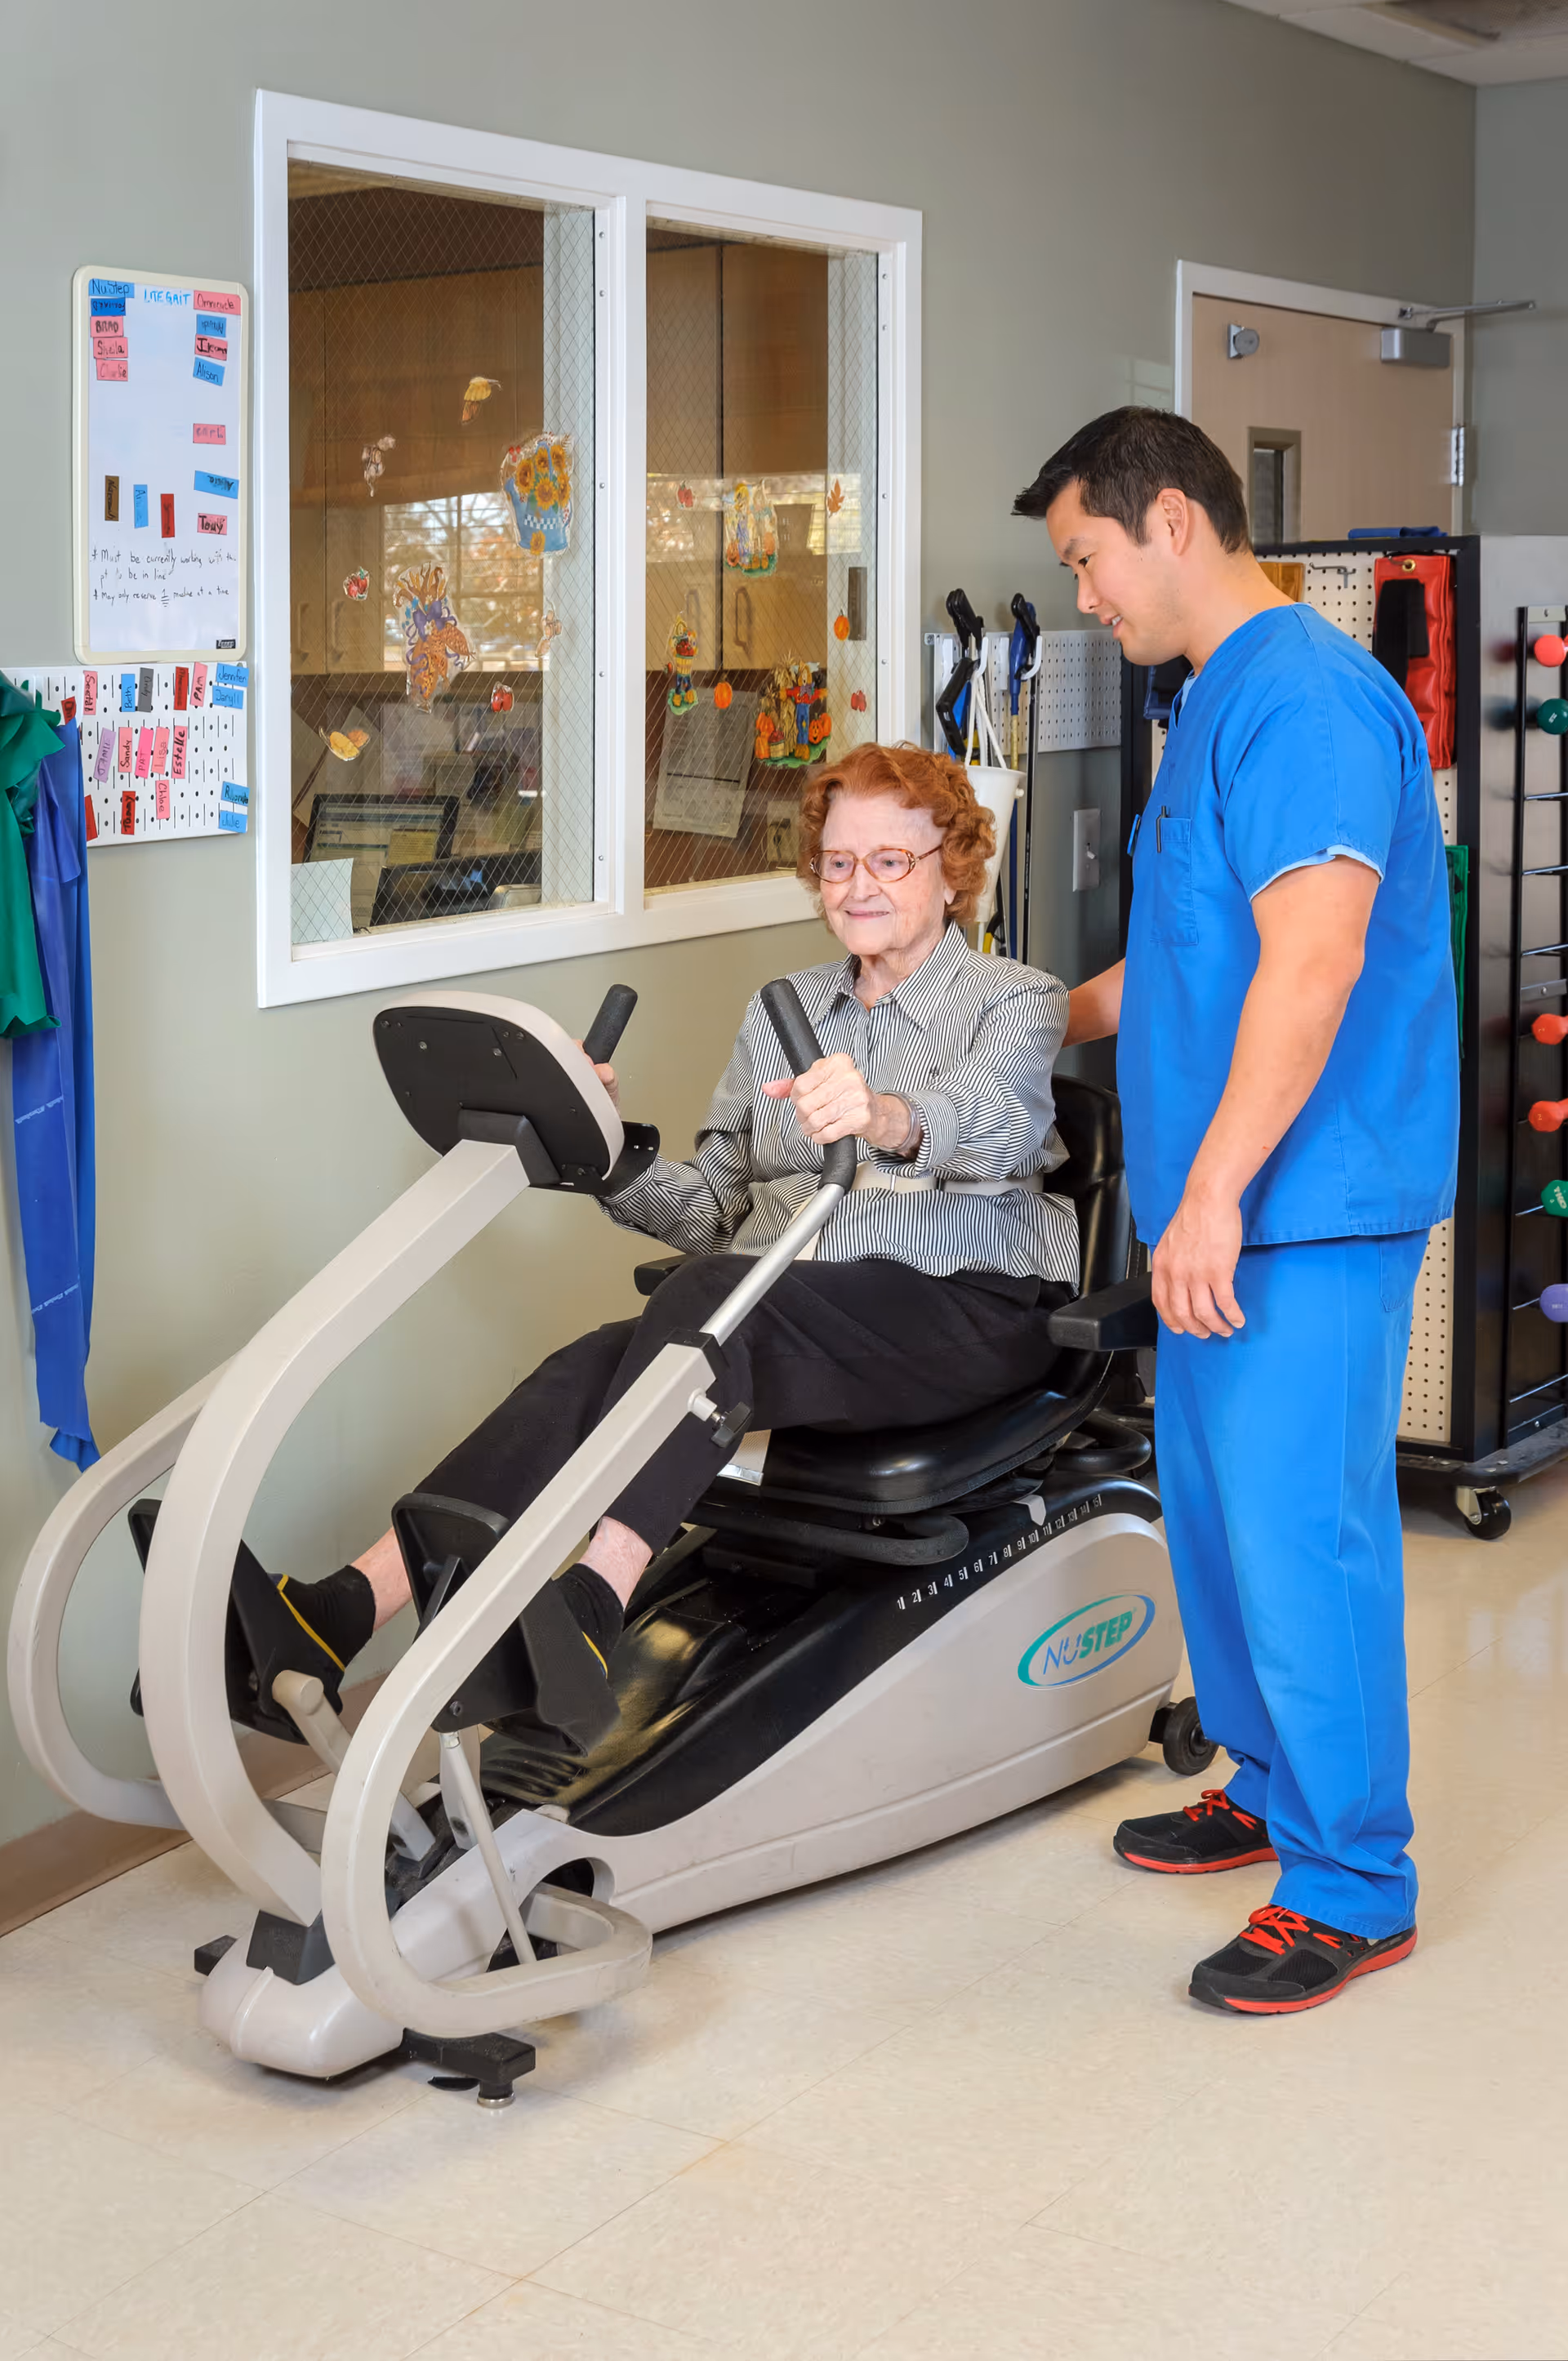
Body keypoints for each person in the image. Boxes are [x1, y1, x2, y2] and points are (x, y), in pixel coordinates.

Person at [260, 740, 1080, 1735]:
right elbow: (711, 1210)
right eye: (837, 860)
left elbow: (1000, 1124)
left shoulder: (1016, 998)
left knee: (707, 1299)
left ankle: (596, 1601)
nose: (858, 884)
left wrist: (885, 1114)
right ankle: (344, 1607)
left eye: (890, 861)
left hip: (967, 1304)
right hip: (784, 1304)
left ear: (951, 869)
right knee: (593, 1362)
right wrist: (600, 1147)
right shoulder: (783, 1011)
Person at [1013, 408, 1458, 2016]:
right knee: (1212, 1518)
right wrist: (1022, 1017)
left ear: (1174, 522)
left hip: (1299, 1202)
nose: (1084, 597)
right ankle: (1264, 1782)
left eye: (1087, 559)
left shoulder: (1314, 702)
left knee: (1299, 1531)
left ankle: (1353, 1877)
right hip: (1219, 1205)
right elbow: (1190, 957)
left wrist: (1210, 1188)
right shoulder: (1205, 708)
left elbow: (1315, 958)